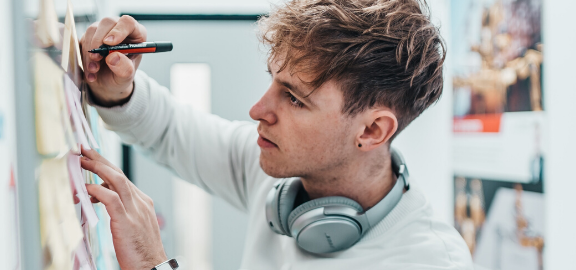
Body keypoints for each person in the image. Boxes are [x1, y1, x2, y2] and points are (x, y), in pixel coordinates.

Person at [79, 0, 474, 269]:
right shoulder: (273, 167)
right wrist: (117, 87)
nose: (257, 111)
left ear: (372, 130)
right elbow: (168, 129)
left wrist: (153, 264)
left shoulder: (430, 262)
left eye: (295, 99)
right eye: (273, 82)